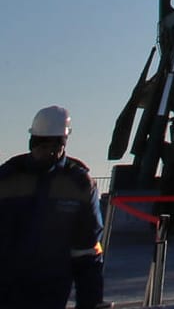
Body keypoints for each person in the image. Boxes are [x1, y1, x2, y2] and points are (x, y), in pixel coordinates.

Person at [0, 106, 105, 309]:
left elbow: (88, 251)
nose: (44, 150)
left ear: (62, 144)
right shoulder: (7, 178)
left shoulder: (78, 184)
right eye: (39, 143)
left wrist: (90, 301)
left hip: (51, 290)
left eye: (51, 144)